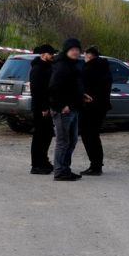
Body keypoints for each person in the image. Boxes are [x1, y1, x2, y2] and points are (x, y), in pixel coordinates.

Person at [49, 38, 89, 180]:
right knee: (63, 141)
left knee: (72, 141)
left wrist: (81, 95)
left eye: (77, 50)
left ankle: (65, 168)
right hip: (63, 110)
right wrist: (61, 105)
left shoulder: (73, 65)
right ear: (66, 50)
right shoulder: (61, 66)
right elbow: (54, 88)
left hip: (74, 107)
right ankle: (59, 171)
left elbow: (71, 87)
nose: (75, 52)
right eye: (72, 50)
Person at [81, 45, 112, 176]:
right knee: (94, 136)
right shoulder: (105, 68)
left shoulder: (88, 69)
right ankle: (97, 164)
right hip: (102, 106)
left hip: (90, 107)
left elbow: (83, 87)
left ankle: (95, 165)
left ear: (88, 56)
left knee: (88, 136)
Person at [28, 44, 56, 174]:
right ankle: (36, 165)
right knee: (39, 136)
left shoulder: (48, 67)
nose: (53, 56)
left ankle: (44, 160)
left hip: (47, 106)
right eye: (51, 54)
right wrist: (44, 107)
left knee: (48, 134)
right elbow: (37, 91)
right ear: (44, 54)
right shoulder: (37, 69)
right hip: (40, 108)